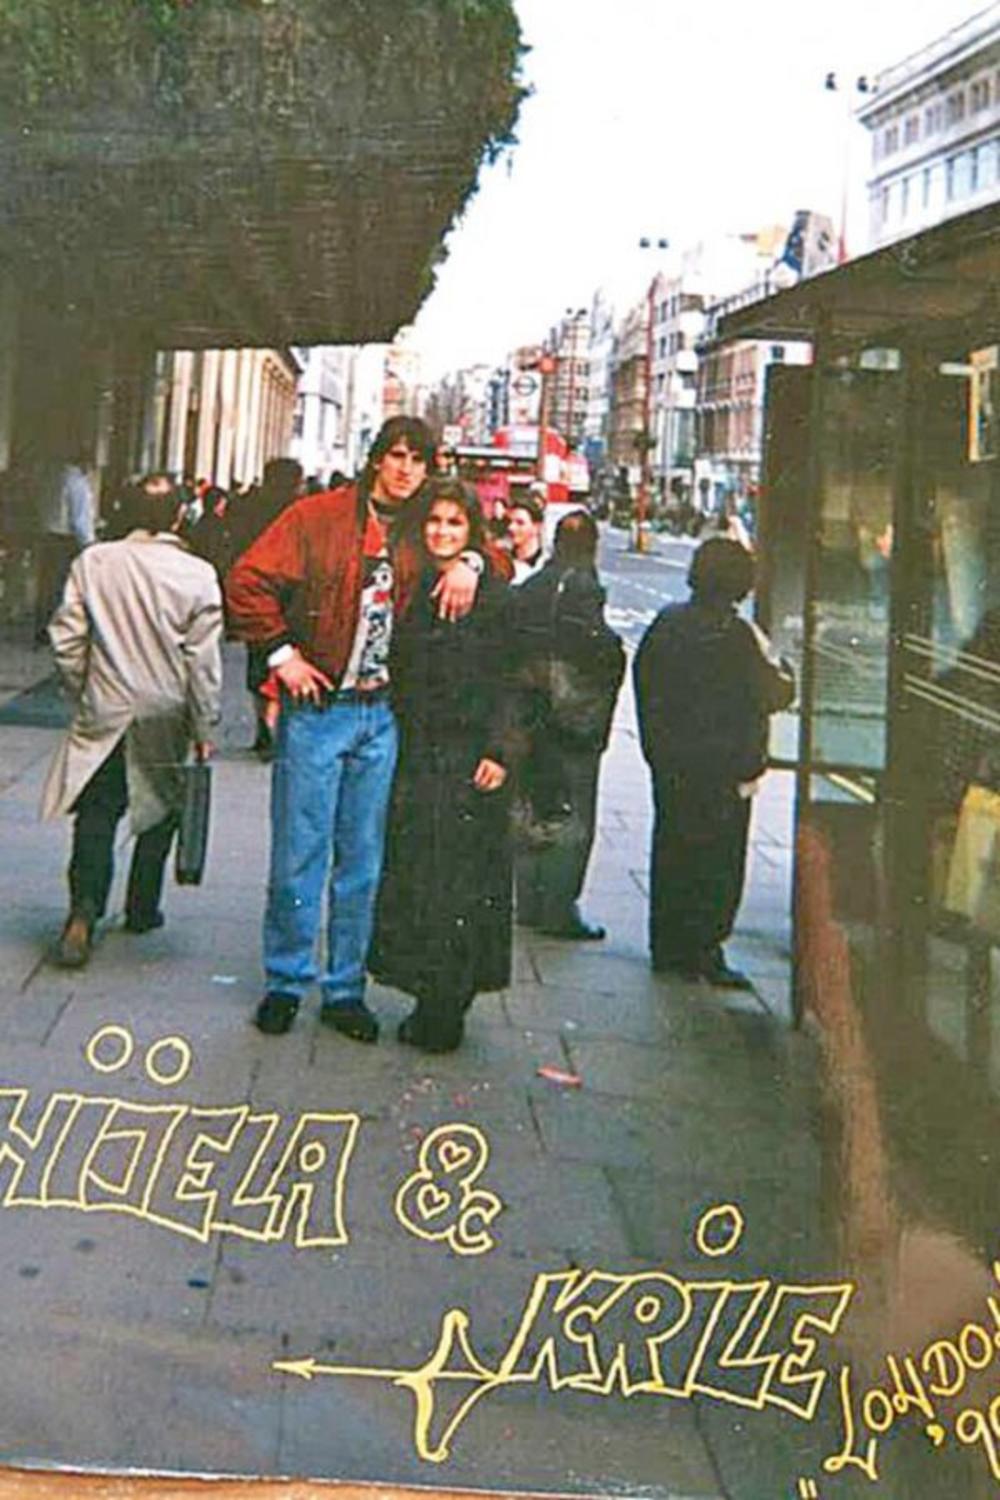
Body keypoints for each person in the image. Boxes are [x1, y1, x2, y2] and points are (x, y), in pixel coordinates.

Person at [225, 417, 494, 1041]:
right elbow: (247, 580)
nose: (406, 470)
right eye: (396, 456)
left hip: (383, 716)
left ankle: (345, 988)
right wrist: (282, 656)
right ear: (376, 459)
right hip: (320, 711)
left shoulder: (424, 526)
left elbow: (493, 552)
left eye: (418, 460)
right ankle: (286, 981)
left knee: (364, 860)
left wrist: (472, 562)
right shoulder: (317, 516)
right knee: (299, 854)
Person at [40, 472, 222, 968]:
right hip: (165, 711)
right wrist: (205, 725)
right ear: (179, 516)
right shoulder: (198, 575)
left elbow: (66, 638)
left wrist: (83, 689)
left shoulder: (93, 562)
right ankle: (143, 905)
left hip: (107, 706)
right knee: (160, 807)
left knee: (98, 812)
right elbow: (203, 662)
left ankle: (83, 911)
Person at [371, 480, 522, 1052]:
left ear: (471, 530)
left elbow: (516, 678)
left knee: (459, 885)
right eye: (434, 521)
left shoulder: (492, 595)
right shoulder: (414, 584)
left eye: (455, 523)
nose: (442, 532)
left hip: (468, 757)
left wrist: (500, 750)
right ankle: (431, 997)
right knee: (423, 879)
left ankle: (443, 1009)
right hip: (417, 753)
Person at [633, 536, 795, 988]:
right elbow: (776, 691)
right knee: (719, 862)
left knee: (672, 849)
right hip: (725, 770)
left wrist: (657, 748)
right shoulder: (738, 635)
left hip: (674, 765)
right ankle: (705, 948)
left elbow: (645, 681)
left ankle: (668, 946)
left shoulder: (667, 623)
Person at [512, 510, 624, 940]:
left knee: (528, 807)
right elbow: (599, 653)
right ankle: (559, 909)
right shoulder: (584, 587)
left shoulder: (534, 585)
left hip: (528, 715)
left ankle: (527, 903)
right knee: (572, 815)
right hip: (570, 722)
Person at [34, 454, 95, 643]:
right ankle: (58, 629)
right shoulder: (77, 483)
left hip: (47, 535)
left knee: (46, 585)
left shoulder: (51, 477)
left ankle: (41, 627)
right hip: (66, 539)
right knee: (63, 587)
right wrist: (89, 543)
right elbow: (79, 519)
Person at [507, 490, 546, 585]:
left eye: (520, 523)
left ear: (537, 527)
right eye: (509, 522)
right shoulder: (502, 564)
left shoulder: (547, 565)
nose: (511, 527)